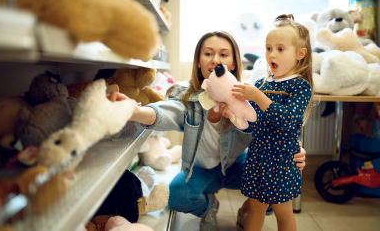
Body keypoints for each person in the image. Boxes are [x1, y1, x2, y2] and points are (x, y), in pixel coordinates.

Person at [109, 30, 307, 231]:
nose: (215, 60)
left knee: (273, 192)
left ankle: (247, 210)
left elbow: (269, 125)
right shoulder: (184, 94)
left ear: (233, 63)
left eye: (223, 54)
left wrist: (296, 149)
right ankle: (209, 207)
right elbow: (169, 112)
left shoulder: (246, 95)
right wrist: (137, 111)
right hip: (200, 170)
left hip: (237, 165)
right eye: (208, 53)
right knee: (178, 195)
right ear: (198, 61)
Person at [232, 14, 314, 231]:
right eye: (268, 48)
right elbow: (252, 122)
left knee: (283, 212)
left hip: (282, 160)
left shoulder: (299, 87)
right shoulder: (261, 82)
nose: (271, 54)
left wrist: (257, 96)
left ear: (300, 54)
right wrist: (233, 112)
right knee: (256, 208)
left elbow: (287, 120)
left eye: (280, 48)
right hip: (258, 156)